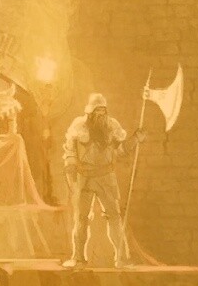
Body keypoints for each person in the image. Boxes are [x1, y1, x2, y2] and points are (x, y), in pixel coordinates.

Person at [62, 92, 144, 268]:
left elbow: (120, 151)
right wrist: (72, 178)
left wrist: (135, 139)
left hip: (106, 177)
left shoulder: (112, 127)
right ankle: (78, 257)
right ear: (90, 112)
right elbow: (70, 153)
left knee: (114, 217)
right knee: (81, 218)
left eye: (103, 111)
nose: (100, 115)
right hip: (84, 178)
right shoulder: (79, 126)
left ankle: (121, 258)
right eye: (97, 111)